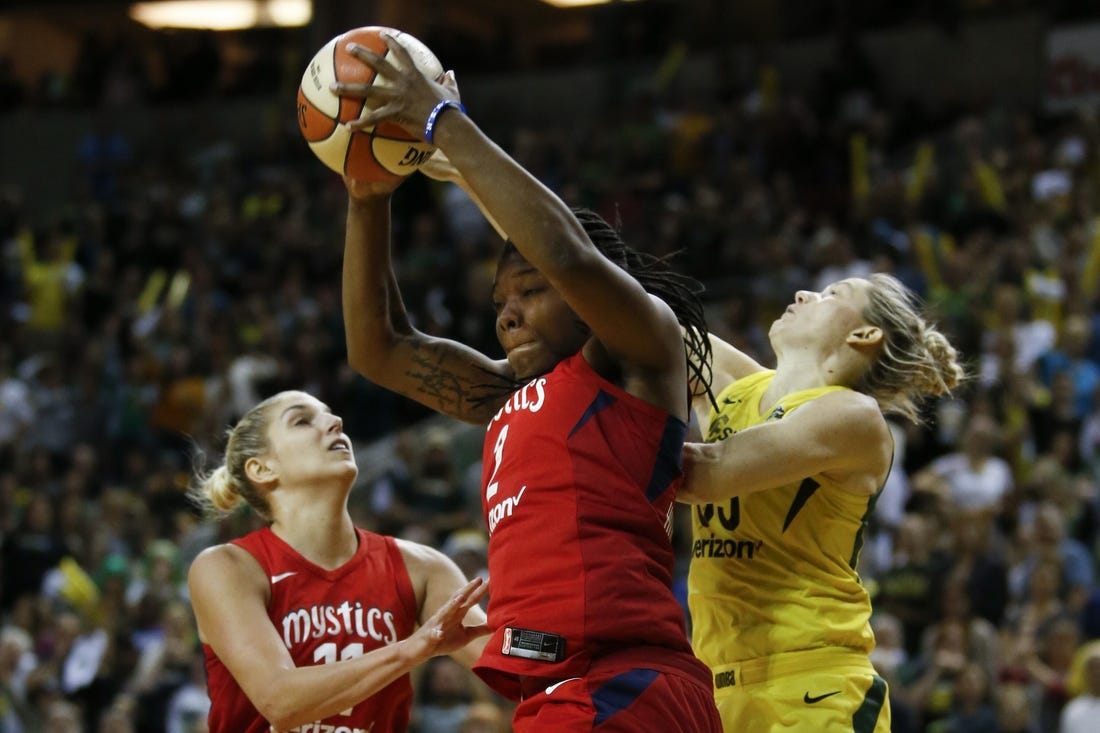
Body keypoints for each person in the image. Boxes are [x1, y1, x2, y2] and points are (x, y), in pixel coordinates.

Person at [335, 34, 722, 733]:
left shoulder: (637, 353)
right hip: (561, 693)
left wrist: (439, 119)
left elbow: (570, 254)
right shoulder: (505, 396)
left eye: (529, 289)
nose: (507, 311)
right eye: (498, 301)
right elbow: (377, 348)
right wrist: (368, 199)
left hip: (624, 682)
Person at [679, 273, 964, 732]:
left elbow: (703, 473)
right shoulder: (736, 389)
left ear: (864, 334)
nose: (803, 294)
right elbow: (641, 327)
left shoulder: (854, 416)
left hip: (813, 687)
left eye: (833, 294)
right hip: (717, 689)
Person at [186, 390, 491, 733]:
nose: (335, 422)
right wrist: (412, 650)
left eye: (330, 414)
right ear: (262, 468)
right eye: (302, 420)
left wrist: (552, 630)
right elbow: (280, 701)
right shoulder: (229, 567)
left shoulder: (422, 567)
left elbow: (510, 660)